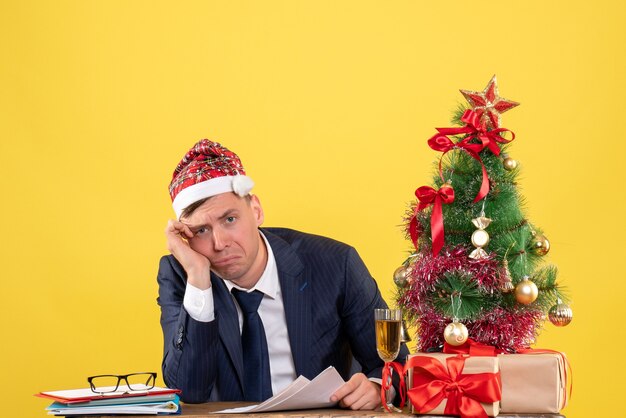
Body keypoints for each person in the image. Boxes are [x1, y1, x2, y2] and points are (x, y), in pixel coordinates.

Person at [157, 139, 408, 409]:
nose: (219, 243)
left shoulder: (335, 263)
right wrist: (198, 277)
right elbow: (188, 389)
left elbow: (398, 366)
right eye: (201, 231)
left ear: (256, 210)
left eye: (230, 219)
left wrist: (375, 386)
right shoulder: (183, 274)